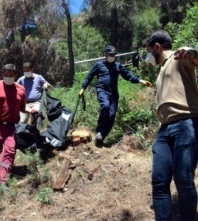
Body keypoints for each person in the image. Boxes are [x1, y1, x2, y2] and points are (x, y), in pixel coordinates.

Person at [146, 30, 198, 221]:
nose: (148, 55)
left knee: (184, 180)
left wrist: (192, 53)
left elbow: (194, 58)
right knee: (159, 182)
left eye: (149, 50)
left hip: (186, 123)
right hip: (164, 130)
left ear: (157, 47)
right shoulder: (161, 71)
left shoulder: (179, 56)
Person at [78, 45, 152, 147]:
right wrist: (83, 88)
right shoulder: (98, 65)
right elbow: (89, 77)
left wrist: (141, 81)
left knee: (112, 116)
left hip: (113, 94)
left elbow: (128, 76)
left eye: (114, 54)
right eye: (110, 54)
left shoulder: (117, 65)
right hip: (102, 91)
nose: (112, 56)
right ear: (105, 54)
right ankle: (99, 131)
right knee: (105, 105)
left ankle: (101, 138)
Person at [17, 62, 51, 129]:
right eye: (25, 71)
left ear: (32, 69)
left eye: (28, 70)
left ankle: (34, 135)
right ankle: (21, 135)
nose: (26, 72)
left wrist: (47, 85)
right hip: (24, 103)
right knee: (21, 121)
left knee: (35, 120)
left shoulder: (38, 77)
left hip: (36, 102)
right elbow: (14, 87)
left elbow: (49, 86)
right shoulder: (21, 79)